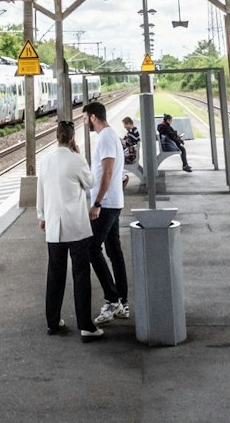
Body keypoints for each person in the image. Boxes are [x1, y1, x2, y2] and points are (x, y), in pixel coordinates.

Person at [36, 120, 102, 341]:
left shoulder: (45, 161)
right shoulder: (76, 160)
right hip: (76, 228)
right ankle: (85, 326)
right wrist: (79, 156)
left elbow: (41, 191)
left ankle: (52, 322)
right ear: (72, 138)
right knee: (81, 276)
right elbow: (91, 182)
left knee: (55, 275)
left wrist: (42, 216)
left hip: (54, 227)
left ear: (57, 137)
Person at [83, 100, 130, 325]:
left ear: (93, 117)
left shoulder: (106, 137)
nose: (85, 122)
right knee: (113, 251)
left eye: (85, 118)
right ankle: (122, 301)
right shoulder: (110, 137)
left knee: (92, 249)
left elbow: (108, 172)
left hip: (107, 204)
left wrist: (97, 203)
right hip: (113, 201)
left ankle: (113, 300)